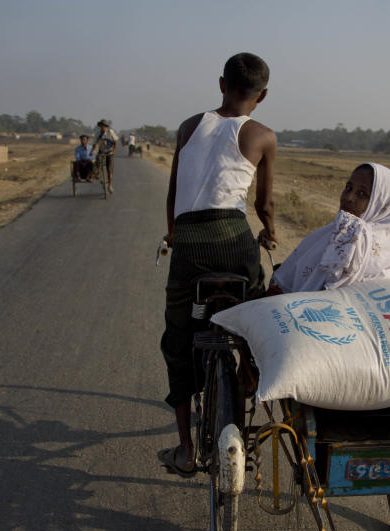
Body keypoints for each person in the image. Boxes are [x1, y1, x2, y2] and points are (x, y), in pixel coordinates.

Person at [158, 52, 277, 477]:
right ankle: (247, 375)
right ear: (261, 96)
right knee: (255, 311)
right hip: (234, 242)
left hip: (189, 246)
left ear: (221, 84)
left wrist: (175, 236)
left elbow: (173, 193)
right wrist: (271, 230)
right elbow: (263, 204)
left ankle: (187, 448)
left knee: (178, 337)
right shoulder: (263, 134)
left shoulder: (190, 126)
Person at [269, 163, 390, 294]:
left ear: (382, 205)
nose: (348, 197)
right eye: (348, 188)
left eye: (362, 194)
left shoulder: (356, 241)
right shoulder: (334, 233)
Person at [90, 119, 117, 192]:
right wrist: (92, 151)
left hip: (109, 152)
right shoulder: (98, 133)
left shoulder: (110, 132)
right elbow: (94, 144)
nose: (103, 127)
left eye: (104, 126)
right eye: (101, 126)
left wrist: (114, 151)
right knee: (97, 161)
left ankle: (110, 185)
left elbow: (115, 141)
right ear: (100, 126)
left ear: (106, 126)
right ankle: (97, 173)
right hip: (101, 151)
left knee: (109, 170)